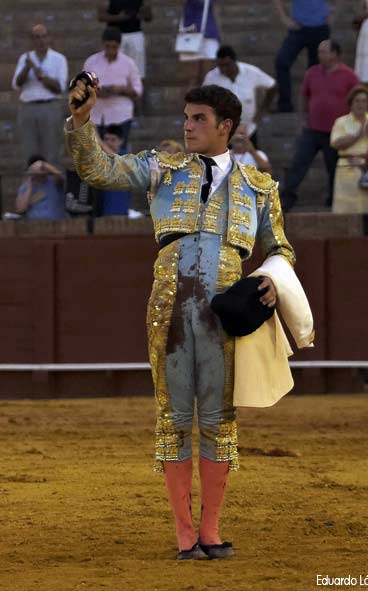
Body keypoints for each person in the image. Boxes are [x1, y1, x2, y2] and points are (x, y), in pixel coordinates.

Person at [66, 81, 308, 560]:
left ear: (227, 127)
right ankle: (184, 537)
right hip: (169, 309)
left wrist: (274, 279)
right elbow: (99, 169)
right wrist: (81, 122)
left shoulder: (259, 186)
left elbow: (280, 248)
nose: (187, 125)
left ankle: (211, 532)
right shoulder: (163, 166)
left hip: (223, 314)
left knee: (219, 421)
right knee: (174, 421)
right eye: (186, 117)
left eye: (199, 119)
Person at [281, 39, 359, 211]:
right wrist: (301, 119)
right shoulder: (312, 72)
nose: (319, 55)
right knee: (298, 163)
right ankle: (287, 199)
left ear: (335, 54)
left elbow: (359, 99)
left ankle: (333, 200)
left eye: (323, 51)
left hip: (337, 131)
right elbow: (303, 96)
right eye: (319, 51)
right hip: (313, 128)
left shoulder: (349, 75)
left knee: (334, 167)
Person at [12, 24, 68, 167]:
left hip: (50, 107)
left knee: (52, 152)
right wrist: (27, 68)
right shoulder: (25, 58)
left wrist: (40, 74)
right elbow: (17, 84)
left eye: (43, 36)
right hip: (28, 108)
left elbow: (59, 88)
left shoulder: (58, 59)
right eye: (37, 37)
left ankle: (52, 188)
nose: (41, 41)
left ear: (49, 37)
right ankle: (32, 188)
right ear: (32, 40)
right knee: (29, 152)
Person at [203, 45, 276, 147]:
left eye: (227, 65)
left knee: (250, 160)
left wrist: (262, 110)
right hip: (223, 131)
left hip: (248, 129)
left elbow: (272, 85)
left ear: (234, 61)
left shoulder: (251, 72)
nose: (223, 69)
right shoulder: (211, 77)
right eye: (220, 66)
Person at [83, 26, 143, 149]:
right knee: (97, 153)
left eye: (114, 47)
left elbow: (138, 90)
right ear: (103, 44)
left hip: (121, 115)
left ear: (119, 46)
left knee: (120, 153)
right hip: (96, 115)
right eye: (107, 46)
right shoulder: (91, 62)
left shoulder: (128, 63)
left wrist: (120, 89)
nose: (110, 50)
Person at [274, 0, 333, 112]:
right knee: (282, 61)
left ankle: (314, 104)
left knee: (316, 68)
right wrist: (284, 19)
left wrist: (334, 15)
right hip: (298, 28)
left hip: (320, 27)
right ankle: (285, 104)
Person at [331, 86, 368, 213]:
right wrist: (358, 134)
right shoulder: (341, 122)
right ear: (351, 103)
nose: (360, 104)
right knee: (345, 209)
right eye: (357, 101)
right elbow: (336, 143)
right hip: (347, 165)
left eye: (364, 101)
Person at [97, 1, 152, 81]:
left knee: (137, 70)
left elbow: (149, 17)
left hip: (135, 34)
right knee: (115, 67)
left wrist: (142, 14)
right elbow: (101, 16)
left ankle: (136, 90)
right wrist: (119, 17)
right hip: (115, 36)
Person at [97, 124, 141, 217]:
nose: (108, 143)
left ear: (121, 141)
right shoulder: (99, 159)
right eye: (106, 139)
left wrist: (100, 142)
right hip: (99, 211)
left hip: (118, 211)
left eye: (113, 140)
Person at [177, 0, 220, 86]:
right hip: (191, 34)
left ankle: (207, 98)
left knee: (208, 76)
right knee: (193, 77)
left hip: (209, 34)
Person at [15, 155, 66, 220]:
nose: (40, 175)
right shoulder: (25, 187)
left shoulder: (55, 182)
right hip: (35, 225)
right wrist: (30, 186)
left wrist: (43, 165)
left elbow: (59, 175)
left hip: (57, 224)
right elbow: (21, 209)